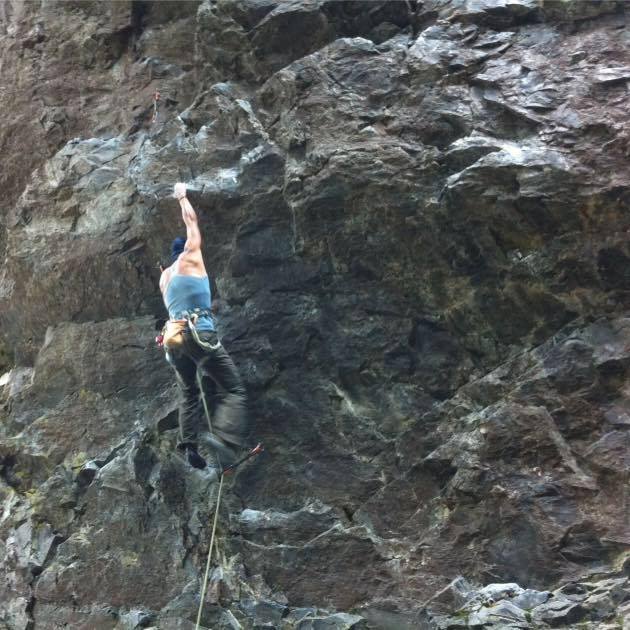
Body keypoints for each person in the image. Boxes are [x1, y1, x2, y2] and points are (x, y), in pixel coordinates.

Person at [159, 182, 247, 470]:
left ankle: (189, 446)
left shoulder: (164, 279)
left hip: (173, 339)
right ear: (182, 250)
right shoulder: (191, 256)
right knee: (234, 389)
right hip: (199, 331)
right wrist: (182, 197)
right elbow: (191, 222)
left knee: (189, 391)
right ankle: (224, 440)